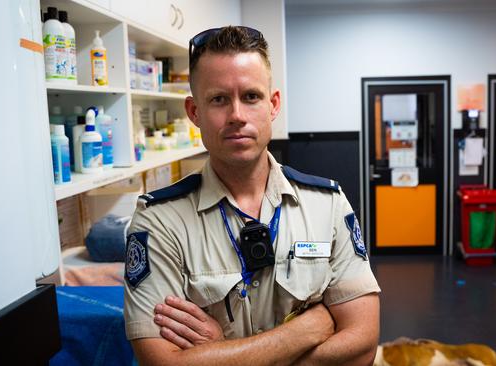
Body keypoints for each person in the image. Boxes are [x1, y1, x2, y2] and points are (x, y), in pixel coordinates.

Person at [123, 25, 381, 365]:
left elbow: (362, 345)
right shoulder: (159, 222)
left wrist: (223, 350)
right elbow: (163, 362)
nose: (237, 116)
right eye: (218, 99)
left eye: (251, 96)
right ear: (194, 112)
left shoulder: (327, 204)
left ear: (273, 104)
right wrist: (307, 329)